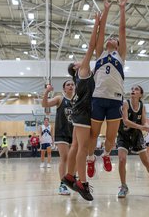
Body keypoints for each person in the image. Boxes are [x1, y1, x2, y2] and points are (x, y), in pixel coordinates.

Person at [87, 0, 128, 177]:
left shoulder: (121, 56)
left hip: (115, 100)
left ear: (118, 46)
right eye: (108, 38)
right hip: (98, 98)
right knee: (93, 135)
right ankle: (90, 159)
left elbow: (122, 30)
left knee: (111, 138)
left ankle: (105, 154)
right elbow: (100, 32)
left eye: (114, 39)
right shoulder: (100, 54)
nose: (111, 38)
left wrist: (121, 8)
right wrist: (106, 9)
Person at [61, 12, 100, 201]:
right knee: (82, 147)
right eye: (76, 62)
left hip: (79, 112)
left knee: (76, 145)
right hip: (83, 113)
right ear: (76, 68)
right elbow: (92, 46)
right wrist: (96, 23)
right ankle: (82, 183)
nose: (80, 60)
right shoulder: (83, 71)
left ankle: (69, 176)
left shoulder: (81, 75)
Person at [117, 85, 149, 198]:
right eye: (132, 89)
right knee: (122, 159)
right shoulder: (126, 103)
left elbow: (143, 122)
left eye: (136, 89)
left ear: (140, 94)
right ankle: (123, 186)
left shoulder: (142, 106)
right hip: (124, 134)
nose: (133, 90)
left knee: (146, 161)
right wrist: (142, 127)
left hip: (137, 135)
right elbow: (125, 121)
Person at [41, 79, 75, 195]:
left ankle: (72, 180)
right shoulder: (60, 99)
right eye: (68, 85)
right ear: (64, 88)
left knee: (73, 158)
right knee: (64, 158)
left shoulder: (78, 100)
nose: (70, 86)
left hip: (74, 133)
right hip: (62, 132)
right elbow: (44, 104)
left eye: (72, 84)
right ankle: (62, 184)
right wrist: (47, 92)